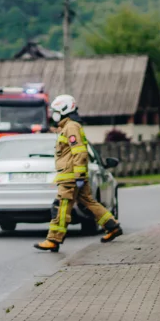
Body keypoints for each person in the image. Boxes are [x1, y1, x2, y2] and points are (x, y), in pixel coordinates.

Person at [35, 94, 123, 252]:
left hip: (70, 177)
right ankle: (112, 226)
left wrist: (79, 177)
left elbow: (80, 153)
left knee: (61, 207)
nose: (52, 114)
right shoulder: (68, 126)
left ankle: (53, 239)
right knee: (89, 202)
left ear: (63, 110)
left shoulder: (72, 127)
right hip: (73, 176)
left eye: (54, 111)